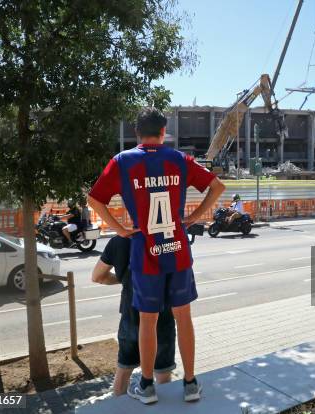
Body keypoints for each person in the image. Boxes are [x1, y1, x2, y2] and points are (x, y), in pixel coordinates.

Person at [88, 107, 225, 404]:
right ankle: (190, 384)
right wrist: (194, 217)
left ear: (137, 133)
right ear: (164, 133)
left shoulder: (122, 161)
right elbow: (217, 187)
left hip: (145, 250)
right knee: (183, 318)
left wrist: (120, 229)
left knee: (147, 321)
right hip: (176, 249)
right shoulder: (179, 159)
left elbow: (94, 199)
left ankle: (146, 387)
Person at [92, 236, 176, 395]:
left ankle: (120, 409)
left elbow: (97, 276)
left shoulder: (119, 241)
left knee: (124, 370)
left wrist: (123, 279)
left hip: (131, 314)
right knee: (163, 376)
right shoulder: (167, 238)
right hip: (162, 315)